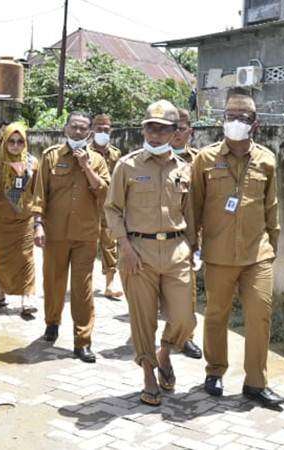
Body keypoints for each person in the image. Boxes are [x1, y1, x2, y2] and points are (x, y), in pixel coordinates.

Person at [191, 88, 284, 408]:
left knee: (260, 316)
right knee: (216, 314)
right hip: (218, 255)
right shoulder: (205, 159)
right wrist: (192, 246)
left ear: (255, 123)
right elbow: (194, 207)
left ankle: (256, 383)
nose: (234, 121)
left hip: (258, 255)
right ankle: (215, 370)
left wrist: (272, 246)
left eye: (242, 117)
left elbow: (271, 207)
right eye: (230, 115)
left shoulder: (266, 159)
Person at [104, 100, 197, 406]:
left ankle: (165, 352)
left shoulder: (184, 168)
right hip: (138, 251)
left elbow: (190, 213)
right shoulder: (127, 166)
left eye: (163, 130)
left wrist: (193, 248)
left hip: (176, 250)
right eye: (150, 128)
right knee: (143, 318)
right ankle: (148, 374)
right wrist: (125, 247)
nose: (155, 135)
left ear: (175, 132)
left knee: (185, 318)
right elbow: (112, 209)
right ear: (143, 130)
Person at [31, 112, 110, 363]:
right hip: (55, 233)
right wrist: (38, 225)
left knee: (82, 288)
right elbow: (40, 194)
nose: (78, 132)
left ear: (89, 132)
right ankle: (52, 322)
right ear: (66, 128)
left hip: (85, 235)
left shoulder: (97, 160)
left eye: (83, 128)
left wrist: (86, 166)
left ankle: (82, 340)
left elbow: (104, 192)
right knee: (53, 282)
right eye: (74, 127)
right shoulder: (51, 156)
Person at [0, 122, 39, 313]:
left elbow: (37, 192)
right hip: (1, 220)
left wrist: (39, 220)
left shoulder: (33, 163)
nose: (15, 145)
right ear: (5, 141)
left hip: (24, 220)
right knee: (2, 258)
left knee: (26, 257)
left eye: (20, 141)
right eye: (11, 141)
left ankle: (27, 297)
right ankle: (1, 291)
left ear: (25, 143)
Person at [169, 107, 203, 360]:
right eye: (173, 128)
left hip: (187, 235)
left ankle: (186, 337)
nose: (177, 133)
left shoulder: (200, 161)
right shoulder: (154, 158)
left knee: (187, 289)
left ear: (190, 131)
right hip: (158, 234)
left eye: (181, 128)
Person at [88, 113, 124, 299]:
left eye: (106, 130)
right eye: (99, 129)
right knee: (87, 245)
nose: (103, 133)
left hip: (109, 206)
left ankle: (110, 284)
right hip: (88, 206)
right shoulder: (85, 152)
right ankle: (84, 283)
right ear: (92, 130)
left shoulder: (116, 154)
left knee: (110, 244)